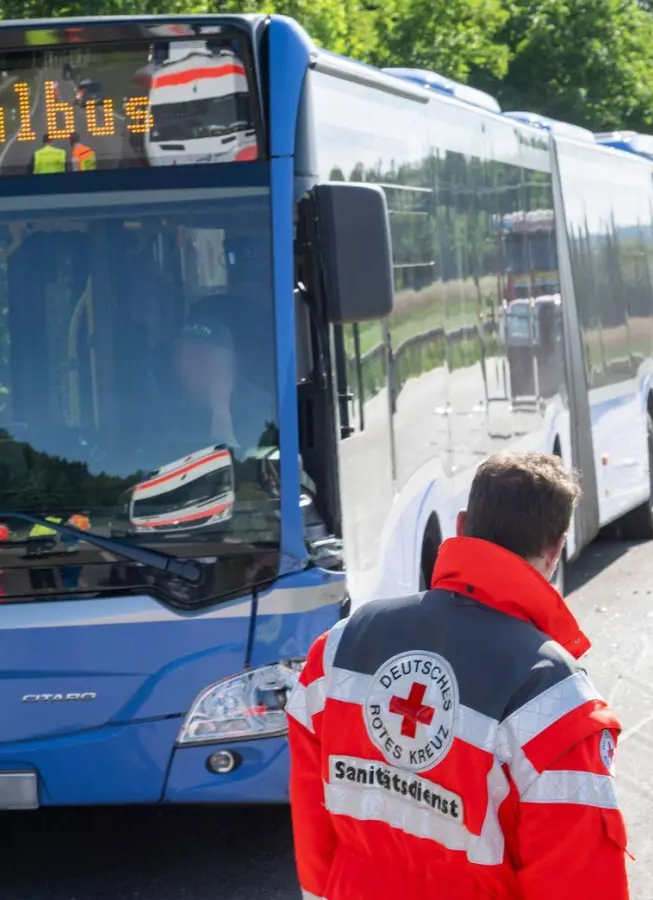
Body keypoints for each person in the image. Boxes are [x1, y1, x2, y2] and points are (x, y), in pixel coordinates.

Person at [288, 452, 629, 900]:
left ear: (462, 525)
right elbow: (578, 879)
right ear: (556, 548)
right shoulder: (552, 698)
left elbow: (311, 810)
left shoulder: (341, 645)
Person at [159, 315, 276, 453]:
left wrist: (221, 410)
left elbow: (245, 462)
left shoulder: (256, 404)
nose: (193, 364)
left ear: (227, 364)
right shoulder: (168, 404)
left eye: (203, 356)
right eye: (186, 354)